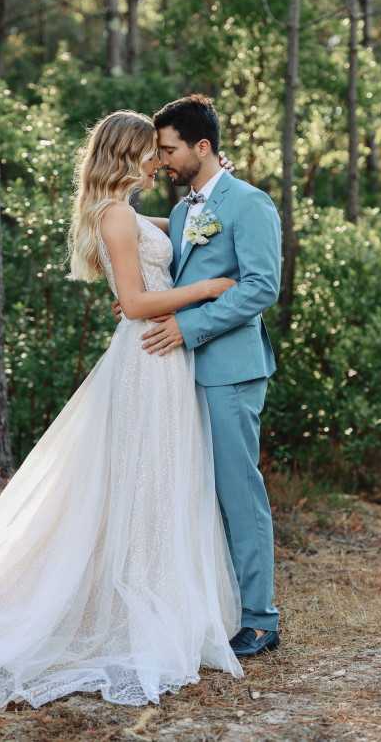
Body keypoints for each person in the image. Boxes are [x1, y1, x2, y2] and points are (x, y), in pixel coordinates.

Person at [0, 110, 243, 709]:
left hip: (164, 359)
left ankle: (169, 602)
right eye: (150, 152)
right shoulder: (114, 215)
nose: (158, 161)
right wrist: (210, 290)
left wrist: (218, 206)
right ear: (128, 153)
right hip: (147, 360)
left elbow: (186, 229)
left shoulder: (129, 214)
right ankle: (130, 610)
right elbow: (135, 301)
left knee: (163, 478)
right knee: (145, 479)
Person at [131, 94, 282, 658]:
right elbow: (130, 233)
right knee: (191, 489)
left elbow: (261, 287)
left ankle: (260, 618)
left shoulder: (250, 204)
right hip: (180, 373)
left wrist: (188, 327)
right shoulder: (179, 210)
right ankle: (211, 607)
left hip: (231, 369)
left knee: (237, 490)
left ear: (203, 146)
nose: (163, 161)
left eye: (169, 150)